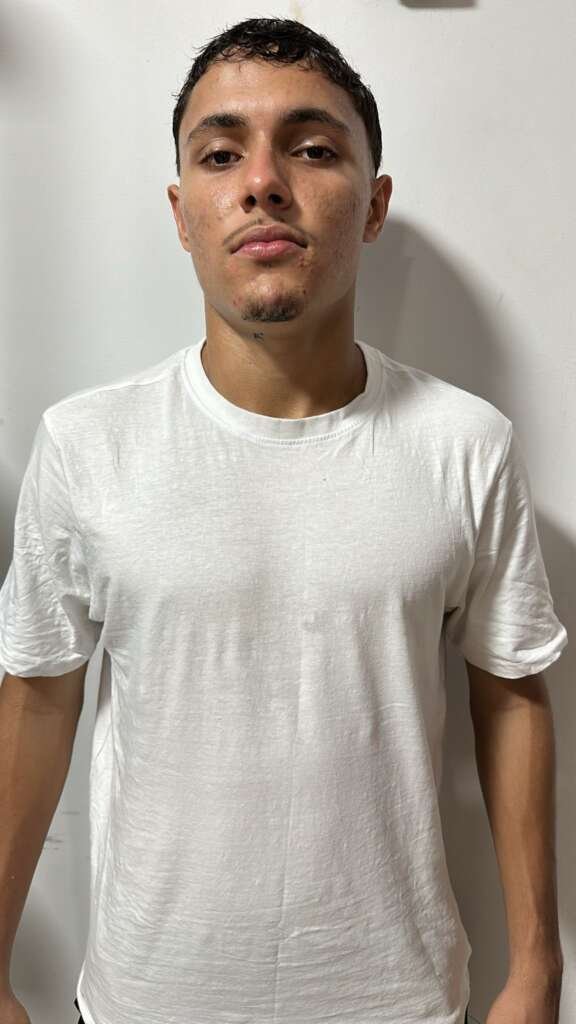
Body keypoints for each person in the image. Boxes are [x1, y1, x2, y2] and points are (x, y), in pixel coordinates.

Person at [0, 15, 566, 1024]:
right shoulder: (88, 444)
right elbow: (39, 698)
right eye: (221, 154)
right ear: (183, 212)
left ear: (374, 204)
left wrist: (539, 969)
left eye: (311, 149)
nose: (262, 182)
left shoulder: (466, 445)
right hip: (145, 1003)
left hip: (399, 1002)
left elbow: (512, 691)